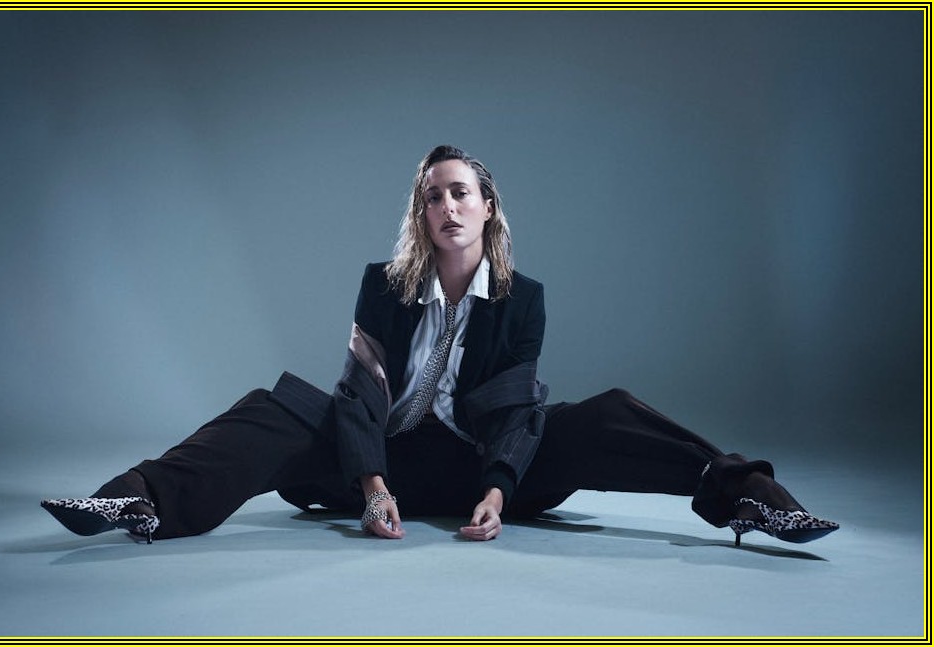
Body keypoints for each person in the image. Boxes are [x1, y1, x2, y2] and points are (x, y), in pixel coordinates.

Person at [42, 145, 838, 547]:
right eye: (433, 196)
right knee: (275, 406)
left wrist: (497, 490)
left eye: (461, 193)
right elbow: (359, 394)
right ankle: (139, 497)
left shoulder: (523, 300)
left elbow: (519, 411)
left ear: (488, 207)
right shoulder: (382, 285)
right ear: (421, 215)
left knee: (605, 413)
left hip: (484, 467)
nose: (447, 206)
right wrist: (372, 487)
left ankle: (748, 495)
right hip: (378, 465)